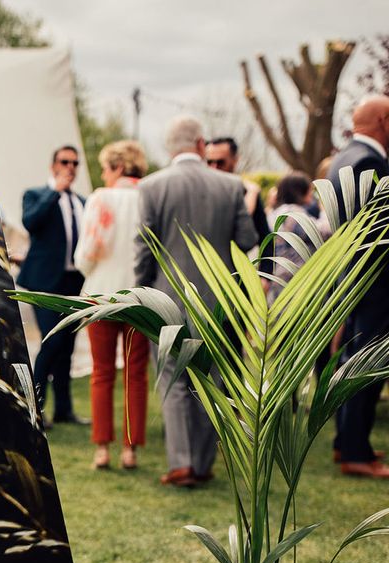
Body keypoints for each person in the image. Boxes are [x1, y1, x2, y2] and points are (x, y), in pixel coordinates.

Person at [134, 117, 257, 487]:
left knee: (172, 377)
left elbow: (144, 247)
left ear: (170, 148)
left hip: (167, 300)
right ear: (201, 144)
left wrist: (140, 292)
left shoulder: (153, 186)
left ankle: (182, 463)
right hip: (219, 299)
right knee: (212, 378)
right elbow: (248, 239)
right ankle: (202, 464)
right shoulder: (231, 186)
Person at [74, 140, 149, 469]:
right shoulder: (150, 196)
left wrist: (90, 269)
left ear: (118, 167)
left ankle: (102, 449)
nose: (103, 174)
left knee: (101, 373)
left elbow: (87, 251)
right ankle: (130, 450)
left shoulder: (101, 198)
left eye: (105, 167)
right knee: (136, 374)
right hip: (141, 296)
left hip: (101, 294)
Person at [328, 94, 389, 479]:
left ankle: (348, 443)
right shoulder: (369, 163)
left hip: (354, 279)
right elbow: (378, 232)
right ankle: (354, 451)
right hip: (375, 281)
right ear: (384, 120)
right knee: (367, 366)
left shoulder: (342, 158)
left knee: (354, 361)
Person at [17, 146, 87, 426]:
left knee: (67, 346)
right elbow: (31, 223)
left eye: (74, 163)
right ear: (53, 165)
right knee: (51, 341)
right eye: (64, 162)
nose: (70, 167)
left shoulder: (83, 201)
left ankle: (64, 410)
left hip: (74, 281)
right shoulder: (36, 195)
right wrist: (55, 191)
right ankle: (35, 407)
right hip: (44, 282)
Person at [205, 136, 273, 281]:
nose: (214, 167)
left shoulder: (246, 191)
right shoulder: (198, 192)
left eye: (220, 162)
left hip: (237, 277)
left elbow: (265, 237)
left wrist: (265, 278)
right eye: (209, 162)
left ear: (235, 160)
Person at [265, 171, 330, 304]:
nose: (312, 194)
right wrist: (325, 210)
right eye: (310, 190)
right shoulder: (293, 214)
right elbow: (324, 232)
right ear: (300, 191)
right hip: (296, 282)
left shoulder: (275, 212)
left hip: (281, 279)